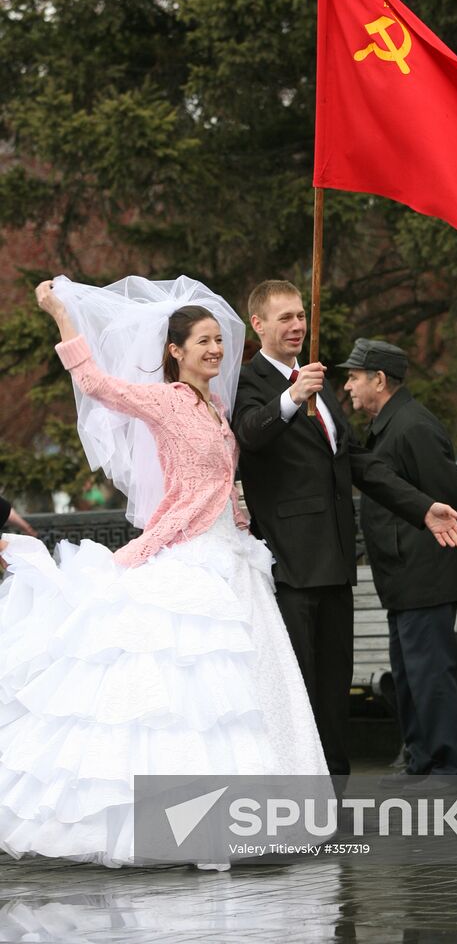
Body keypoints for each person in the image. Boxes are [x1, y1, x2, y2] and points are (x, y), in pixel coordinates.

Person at [0, 274, 327, 869]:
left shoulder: (216, 405)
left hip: (233, 555)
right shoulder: (170, 401)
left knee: (251, 695)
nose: (215, 350)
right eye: (202, 342)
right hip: (190, 557)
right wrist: (60, 316)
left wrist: (239, 513)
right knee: (193, 697)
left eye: (218, 342)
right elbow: (96, 383)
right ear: (175, 352)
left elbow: (218, 479)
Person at [231, 280, 457, 776]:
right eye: (285, 318)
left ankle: (335, 789)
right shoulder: (248, 381)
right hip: (289, 565)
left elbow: (357, 460)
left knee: (335, 687)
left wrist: (422, 508)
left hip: (337, 563)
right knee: (300, 689)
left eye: (301, 316)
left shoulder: (313, 379)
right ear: (258, 325)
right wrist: (293, 397)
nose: (297, 326)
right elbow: (249, 435)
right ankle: (300, 792)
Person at [341, 338, 457, 781]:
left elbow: (454, 494)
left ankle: (453, 765)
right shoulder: (392, 424)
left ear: (379, 380)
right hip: (405, 575)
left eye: (354, 376)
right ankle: (423, 757)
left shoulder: (412, 426)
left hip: (424, 572)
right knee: (410, 675)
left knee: (430, 675)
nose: (347, 385)